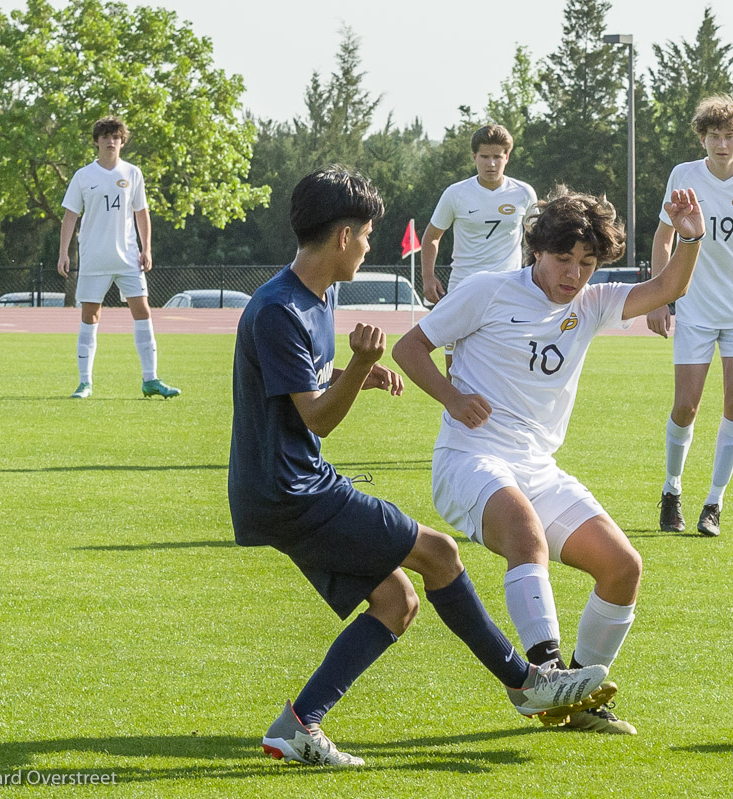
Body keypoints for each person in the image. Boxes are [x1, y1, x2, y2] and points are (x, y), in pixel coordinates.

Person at [229, 166, 608, 769]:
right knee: (440, 555)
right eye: (368, 234)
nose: (371, 245)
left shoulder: (312, 296)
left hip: (283, 486)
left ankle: (298, 726)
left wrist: (352, 373)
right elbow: (319, 421)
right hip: (289, 488)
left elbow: (297, 390)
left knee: (396, 601)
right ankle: (526, 682)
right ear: (344, 235)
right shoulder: (280, 309)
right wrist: (357, 367)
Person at [394, 186, 706, 735]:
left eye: (587, 263)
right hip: (470, 458)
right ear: (536, 250)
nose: (574, 274)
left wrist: (690, 235)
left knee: (622, 567)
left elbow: (668, 286)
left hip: (537, 468)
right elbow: (409, 349)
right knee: (526, 534)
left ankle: (578, 700)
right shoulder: (487, 291)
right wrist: (452, 397)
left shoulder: (591, 303)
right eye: (564, 259)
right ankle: (548, 674)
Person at [645, 94, 733, 538]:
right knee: (686, 405)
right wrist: (658, 298)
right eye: (713, 136)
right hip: (694, 309)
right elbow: (663, 237)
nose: (722, 144)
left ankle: (714, 502)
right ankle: (672, 491)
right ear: (702, 138)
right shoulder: (683, 176)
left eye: (730, 136)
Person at [57, 116, 179, 400]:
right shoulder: (83, 176)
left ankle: (151, 379)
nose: (111, 141)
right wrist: (64, 253)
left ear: (122, 141)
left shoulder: (133, 173)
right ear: (97, 141)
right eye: (106, 136)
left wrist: (146, 248)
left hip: (127, 257)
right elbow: (70, 215)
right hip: (94, 258)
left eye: (116, 136)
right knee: (90, 316)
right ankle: (84, 383)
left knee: (143, 311)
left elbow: (141, 212)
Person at [420, 124, 538, 375]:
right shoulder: (456, 193)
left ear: (507, 157)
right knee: (455, 365)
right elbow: (432, 236)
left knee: (506, 362)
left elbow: (537, 240)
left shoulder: (524, 193)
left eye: (497, 156)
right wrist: (428, 278)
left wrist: (534, 278)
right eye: (485, 156)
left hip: (508, 289)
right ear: (474, 157)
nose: (491, 163)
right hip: (463, 287)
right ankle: (455, 412)